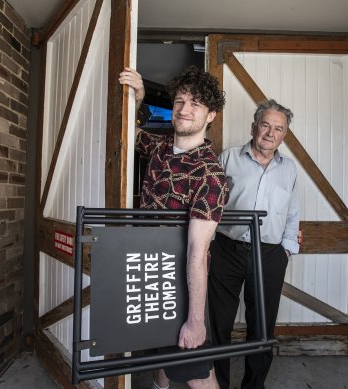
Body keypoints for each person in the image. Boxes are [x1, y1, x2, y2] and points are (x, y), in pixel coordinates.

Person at [119, 66, 228, 389]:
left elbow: (198, 252)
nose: (184, 109)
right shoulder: (161, 148)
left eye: (195, 103)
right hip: (148, 271)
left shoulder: (209, 174)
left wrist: (195, 320)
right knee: (160, 354)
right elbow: (130, 133)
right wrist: (137, 98)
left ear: (211, 115)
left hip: (182, 284)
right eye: (180, 101)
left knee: (195, 371)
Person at [208, 99, 300, 389]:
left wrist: (286, 249)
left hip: (270, 255)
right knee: (218, 323)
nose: (271, 133)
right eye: (265, 125)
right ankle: (217, 384)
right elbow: (211, 206)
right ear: (253, 127)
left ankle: (253, 386)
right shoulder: (228, 159)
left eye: (279, 128)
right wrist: (207, 246)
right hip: (226, 250)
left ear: (284, 135)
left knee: (261, 326)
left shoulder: (290, 169)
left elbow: (293, 212)